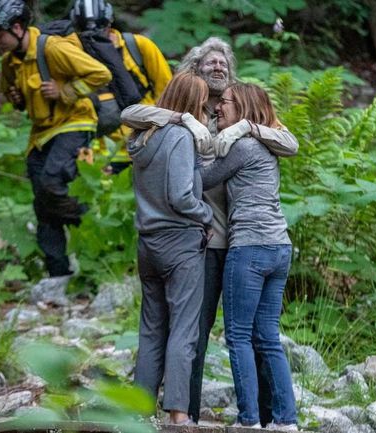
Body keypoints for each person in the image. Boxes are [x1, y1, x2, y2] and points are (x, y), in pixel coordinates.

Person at [121, 36, 298, 425]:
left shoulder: (239, 111)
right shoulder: (186, 113)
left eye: (223, 63)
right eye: (209, 63)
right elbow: (132, 113)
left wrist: (245, 128)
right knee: (195, 331)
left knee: (250, 333)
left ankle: (269, 416)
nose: (218, 68)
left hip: (239, 239)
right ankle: (190, 412)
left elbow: (288, 140)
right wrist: (182, 118)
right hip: (200, 237)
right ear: (194, 71)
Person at [0, 0, 111, 281]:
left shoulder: (52, 47)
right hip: (41, 134)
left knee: (53, 182)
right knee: (42, 201)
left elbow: (101, 74)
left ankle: (89, 222)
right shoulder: (9, 63)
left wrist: (65, 90)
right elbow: (11, 94)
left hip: (74, 122)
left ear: (17, 28)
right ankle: (58, 272)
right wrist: (16, 99)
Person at [199, 82, 297, 431]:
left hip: (250, 247)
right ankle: (286, 421)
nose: (217, 109)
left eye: (223, 103)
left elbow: (203, 179)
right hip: (279, 246)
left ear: (242, 107)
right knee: (267, 335)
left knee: (238, 335)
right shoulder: (266, 143)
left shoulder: (242, 146)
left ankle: (249, 420)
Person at [130, 72, 212, 425]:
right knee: (184, 329)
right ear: (194, 104)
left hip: (147, 244)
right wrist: (206, 214)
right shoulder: (180, 137)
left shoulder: (142, 137)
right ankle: (178, 415)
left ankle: (138, 410)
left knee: (151, 329)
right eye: (204, 101)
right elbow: (181, 195)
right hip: (179, 243)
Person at [69, 0, 172, 174]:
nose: (93, 37)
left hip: (143, 146)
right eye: (84, 32)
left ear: (110, 23)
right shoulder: (71, 55)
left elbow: (168, 92)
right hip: (96, 154)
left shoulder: (138, 46)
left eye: (100, 29)